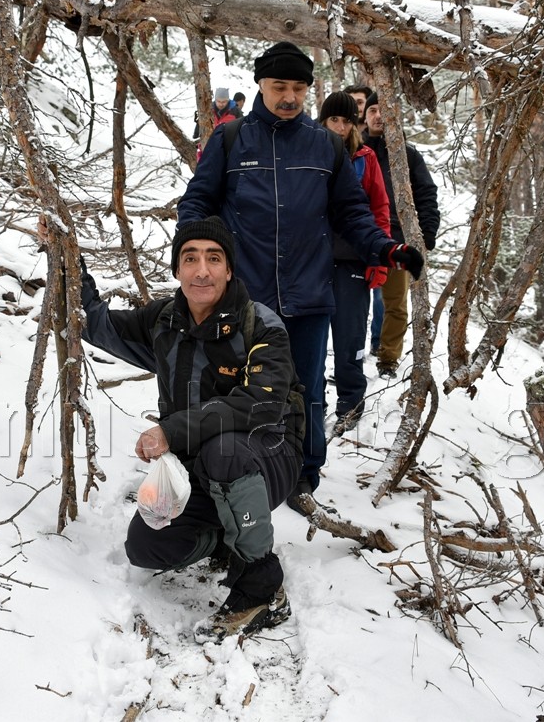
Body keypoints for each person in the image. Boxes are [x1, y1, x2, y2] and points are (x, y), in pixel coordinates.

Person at [178, 41, 424, 513]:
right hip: (243, 298)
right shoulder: (230, 141)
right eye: (279, 87)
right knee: (234, 387)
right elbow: (197, 201)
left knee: (307, 390)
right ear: (261, 87)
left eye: (297, 88)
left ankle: (304, 474)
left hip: (309, 295)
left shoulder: (326, 145)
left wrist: (387, 247)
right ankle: (232, 470)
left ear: (308, 90)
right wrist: (193, 255)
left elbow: (353, 213)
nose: (289, 97)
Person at [78, 217, 303, 642]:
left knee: (225, 452)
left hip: (269, 457)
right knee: (147, 548)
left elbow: (261, 404)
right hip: (195, 468)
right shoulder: (164, 320)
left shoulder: (261, 325)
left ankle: (262, 587)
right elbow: (96, 323)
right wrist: (69, 257)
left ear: (229, 269)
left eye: (213, 259)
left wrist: (171, 430)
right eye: (191, 258)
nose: (202, 270)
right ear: (178, 269)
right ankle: (228, 538)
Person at [317, 92, 391, 436]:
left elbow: (379, 210)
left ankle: (351, 403)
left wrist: (378, 259)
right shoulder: (309, 152)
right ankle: (310, 403)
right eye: (335, 120)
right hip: (311, 261)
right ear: (324, 121)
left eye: (347, 121)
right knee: (310, 341)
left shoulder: (365, 158)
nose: (341, 127)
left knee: (349, 341)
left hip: (352, 262)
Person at [362, 91, 441, 378]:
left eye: (384, 110)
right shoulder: (354, 148)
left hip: (395, 239)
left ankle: (387, 359)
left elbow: (426, 194)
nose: (378, 116)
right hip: (358, 238)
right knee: (355, 305)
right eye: (372, 110)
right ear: (365, 115)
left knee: (393, 303)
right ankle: (353, 357)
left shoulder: (407, 154)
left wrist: (427, 231)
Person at [344, 85, 384, 355]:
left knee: (380, 301)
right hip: (330, 251)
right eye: (353, 103)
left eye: (361, 103)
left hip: (373, 240)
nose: (357, 108)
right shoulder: (321, 146)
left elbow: (380, 202)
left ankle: (378, 348)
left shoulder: (368, 153)